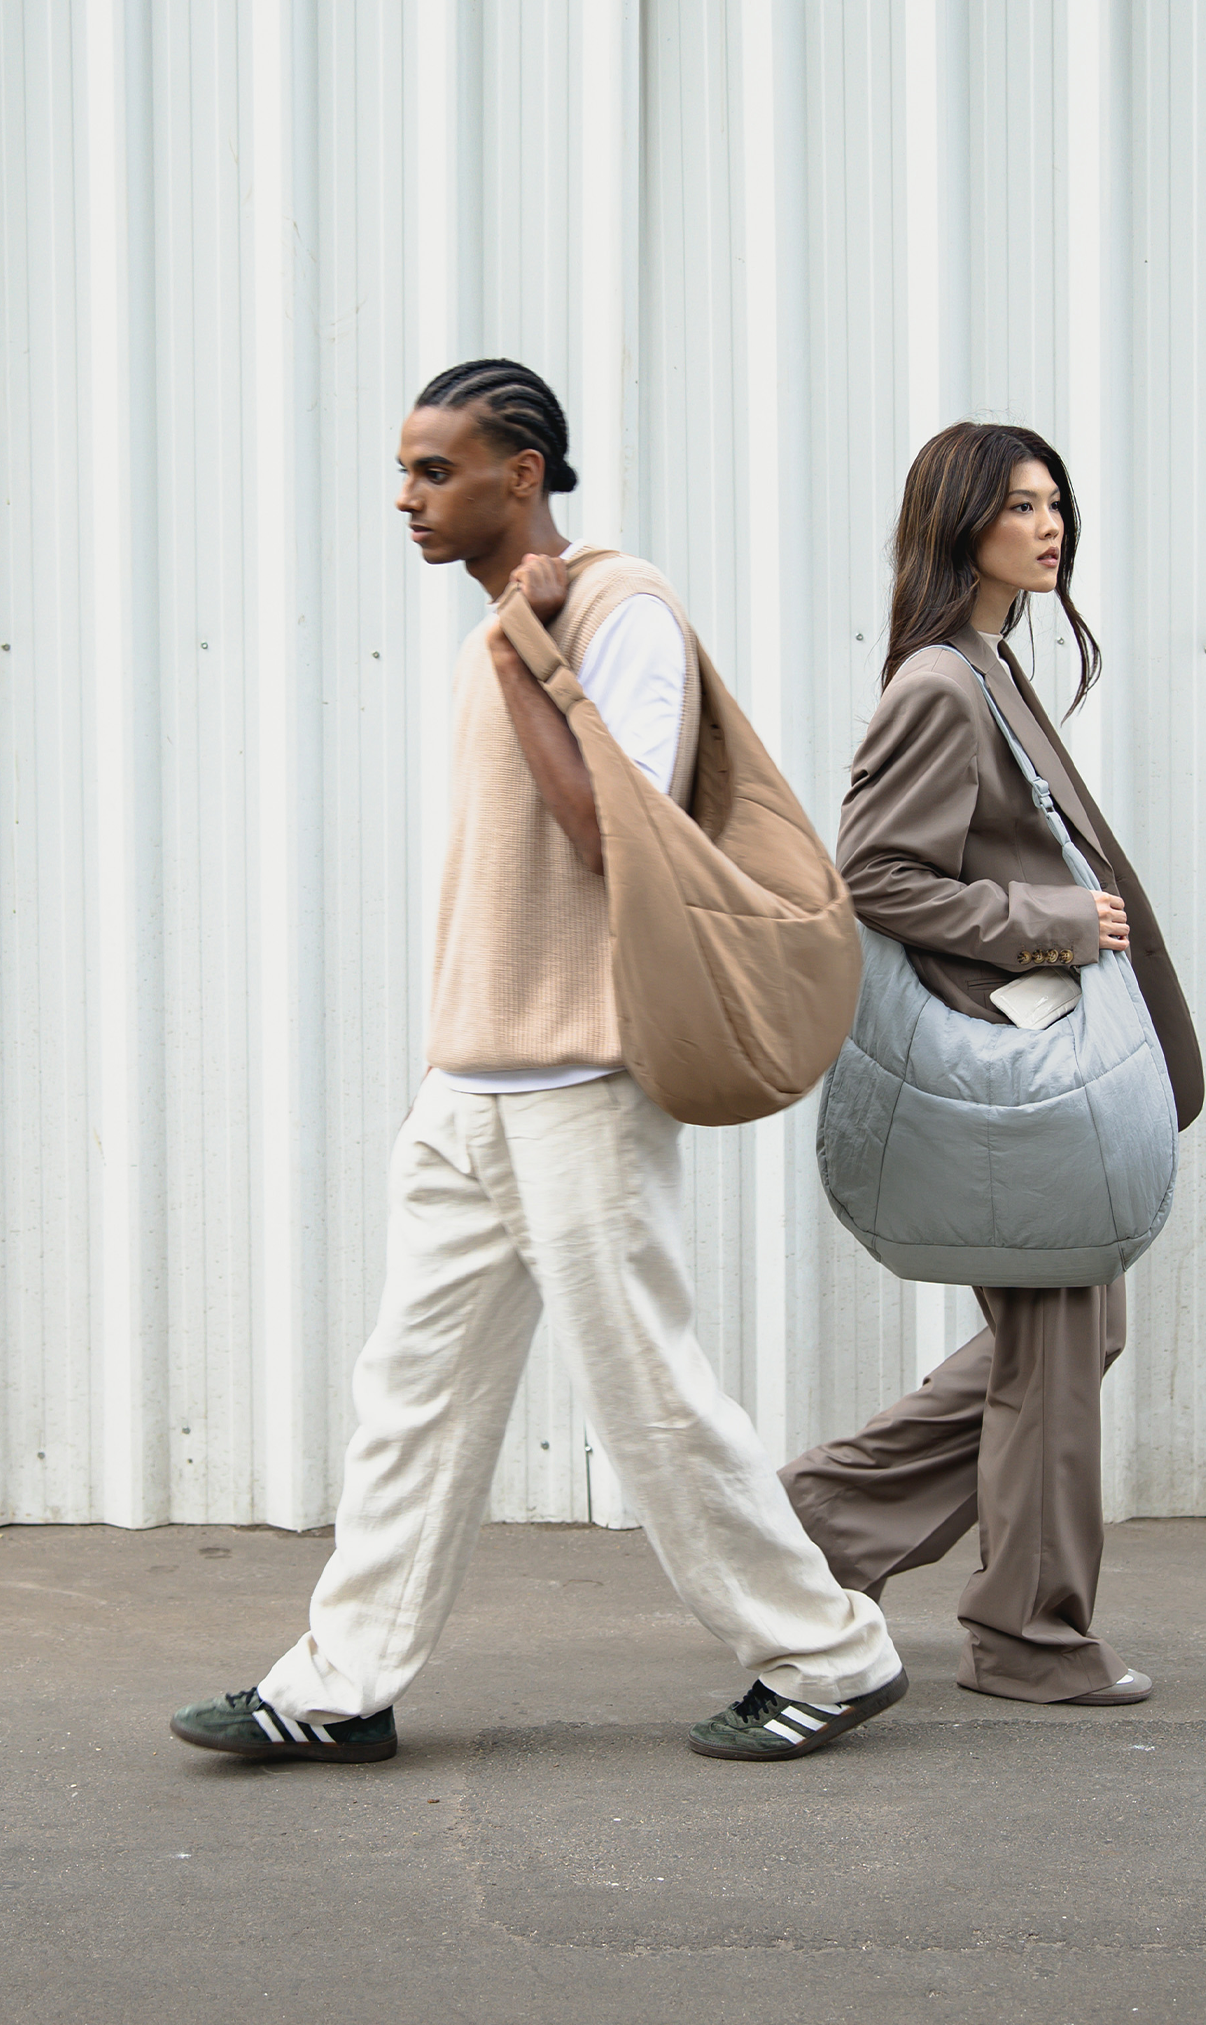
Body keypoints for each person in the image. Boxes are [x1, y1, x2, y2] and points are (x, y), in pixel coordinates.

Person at [170, 360, 906, 1765]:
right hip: (472, 1080)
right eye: (403, 470)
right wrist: (507, 644)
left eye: (434, 470)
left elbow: (612, 834)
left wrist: (522, 650)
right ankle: (339, 1687)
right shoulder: (495, 637)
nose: (407, 498)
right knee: (411, 1396)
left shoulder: (625, 611)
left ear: (521, 475)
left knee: (651, 1396)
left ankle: (829, 1654)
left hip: (578, 1080)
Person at [780, 423, 1203, 1707]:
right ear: (960, 521)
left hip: (1030, 1062)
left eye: (1055, 501)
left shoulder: (988, 664)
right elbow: (876, 876)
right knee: (1057, 1345)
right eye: (1020, 504)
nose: (1049, 523)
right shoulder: (942, 685)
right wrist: (1055, 922)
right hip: (1016, 1068)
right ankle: (1026, 1633)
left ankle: (812, 1528)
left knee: (1074, 1330)